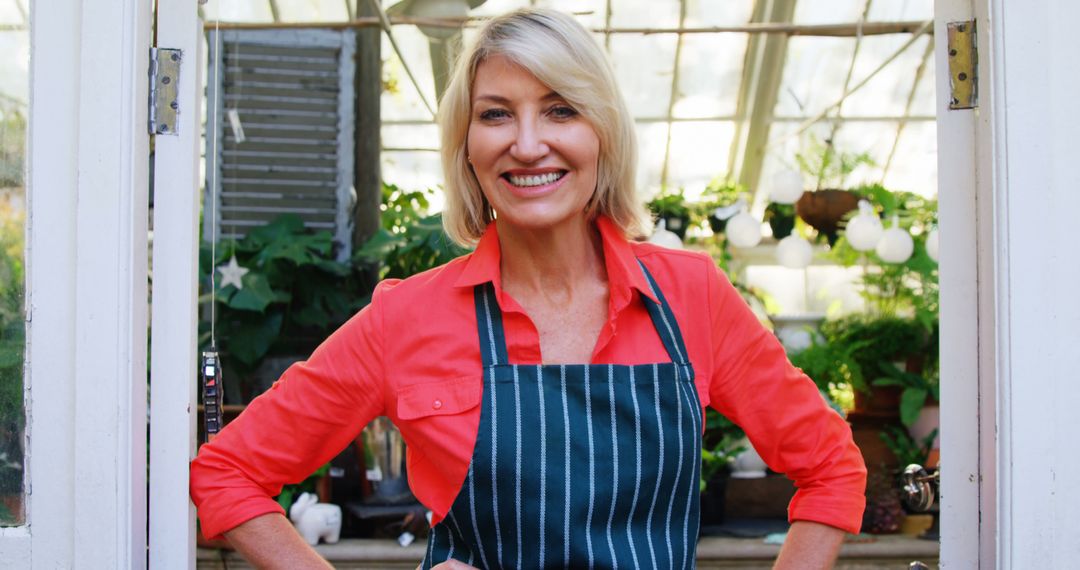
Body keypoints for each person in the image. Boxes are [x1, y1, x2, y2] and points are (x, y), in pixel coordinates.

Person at [190, 8, 866, 569]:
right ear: (466, 147)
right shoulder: (409, 317)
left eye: (560, 110)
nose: (528, 143)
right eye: (495, 115)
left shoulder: (691, 297)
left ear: (601, 132)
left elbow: (833, 467)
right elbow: (226, 474)